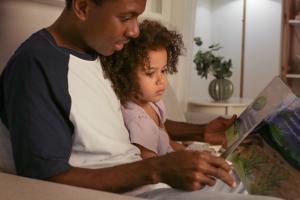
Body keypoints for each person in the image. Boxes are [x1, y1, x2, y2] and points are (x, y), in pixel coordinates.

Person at [0, 0, 281, 199]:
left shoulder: (100, 51)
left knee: (277, 182)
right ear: (83, 6)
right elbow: (44, 178)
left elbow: (135, 117)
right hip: (128, 190)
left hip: (147, 180)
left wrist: (201, 131)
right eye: (125, 17)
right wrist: (157, 168)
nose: (134, 31)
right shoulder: (37, 65)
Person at [101, 20, 187, 159]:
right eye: (150, 73)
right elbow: (150, 163)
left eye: (163, 70)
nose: (161, 80)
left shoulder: (155, 103)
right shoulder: (137, 120)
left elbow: (167, 140)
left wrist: (191, 154)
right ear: (125, 74)